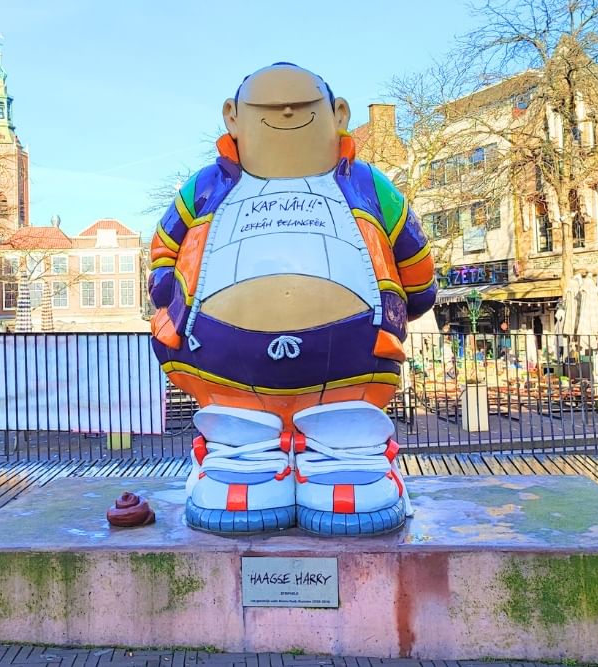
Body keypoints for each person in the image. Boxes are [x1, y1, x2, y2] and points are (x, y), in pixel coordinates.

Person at [148, 63, 436, 535]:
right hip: (220, 359)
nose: (284, 110)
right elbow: (165, 245)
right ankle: (243, 457)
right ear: (232, 118)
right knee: (239, 432)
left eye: (301, 107)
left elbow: (412, 253)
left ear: (338, 114)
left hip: (352, 354)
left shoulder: (366, 183)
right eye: (267, 107)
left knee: (346, 430)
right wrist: (166, 287)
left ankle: (346, 456)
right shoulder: (205, 187)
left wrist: (413, 297)